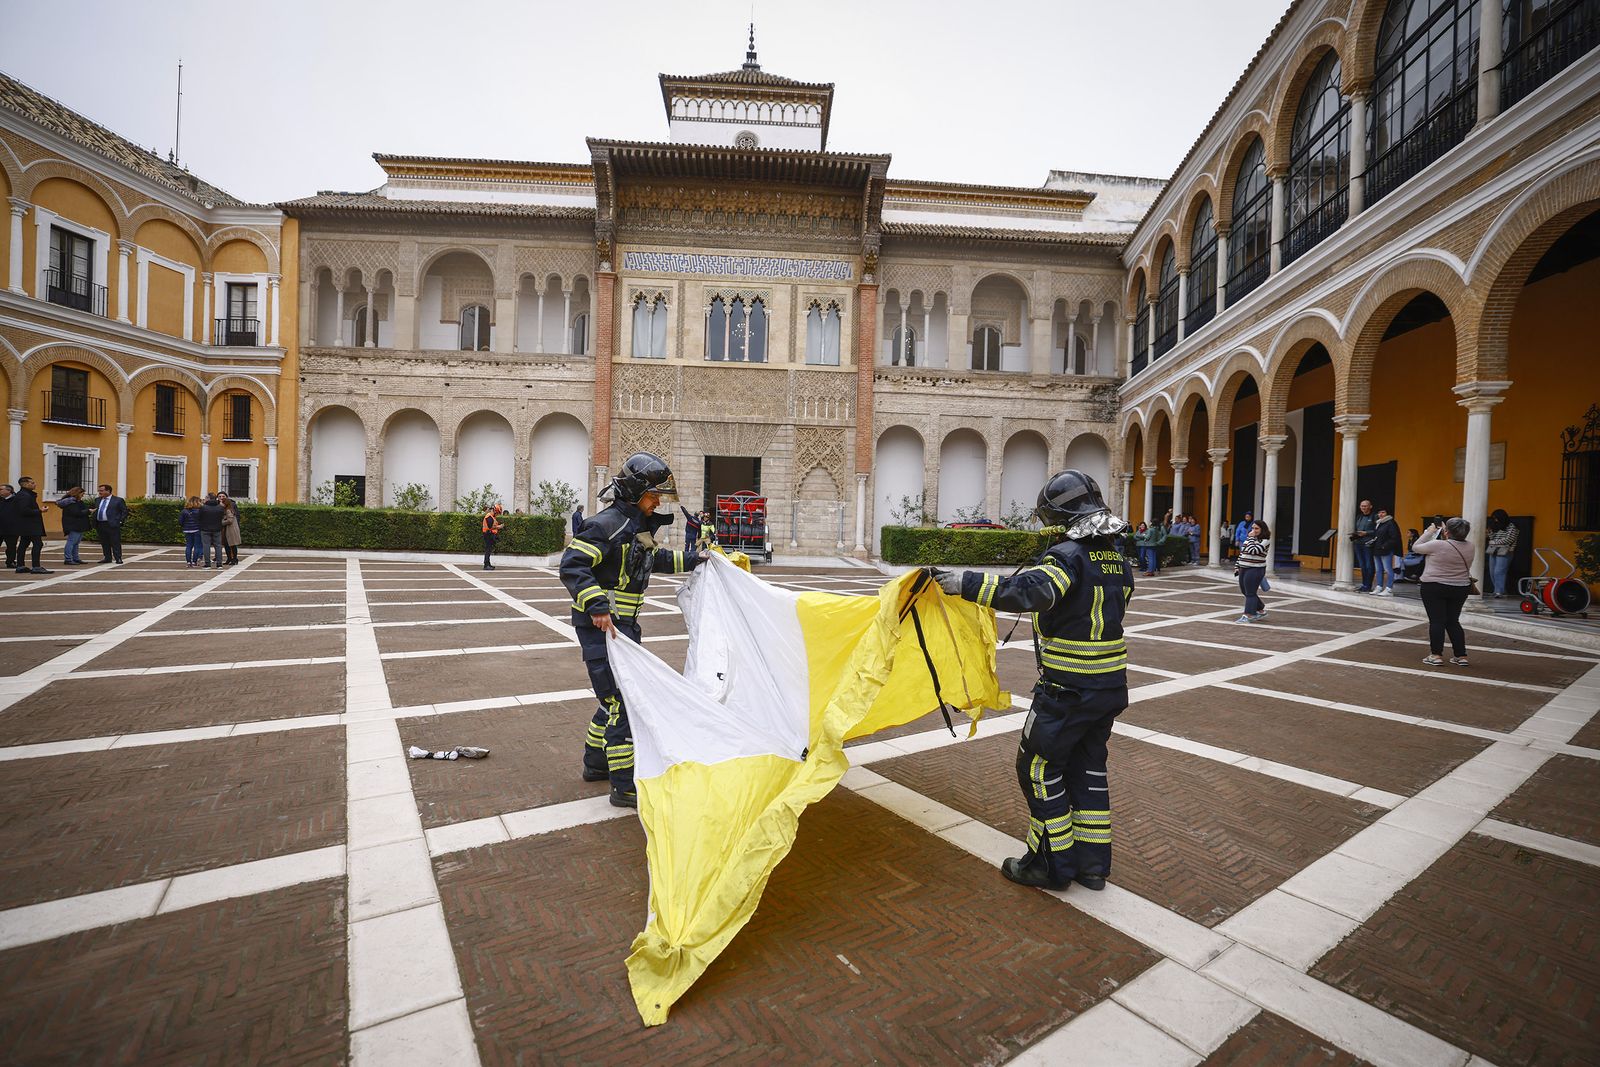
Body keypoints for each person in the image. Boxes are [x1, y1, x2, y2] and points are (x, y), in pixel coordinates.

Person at [929, 469, 1133, 891]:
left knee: (1037, 769)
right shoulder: (1116, 558)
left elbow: (1031, 592)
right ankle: (1093, 866)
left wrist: (963, 582)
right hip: (1109, 688)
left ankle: (1049, 865)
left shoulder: (1067, 556)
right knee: (1088, 769)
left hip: (1068, 690)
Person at [561, 452, 705, 808]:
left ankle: (596, 765)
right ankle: (624, 786)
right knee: (622, 703)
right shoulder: (605, 524)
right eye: (653, 494)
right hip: (602, 629)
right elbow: (572, 564)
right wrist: (596, 606)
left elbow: (652, 560)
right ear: (636, 491)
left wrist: (696, 558)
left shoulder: (637, 526)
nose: (658, 501)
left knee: (612, 698)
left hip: (624, 630)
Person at [1415, 517, 1474, 666]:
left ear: (1447, 531)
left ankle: (1435, 655)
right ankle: (1461, 656)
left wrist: (1429, 532)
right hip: (1461, 587)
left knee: (1436, 621)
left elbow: (1416, 547)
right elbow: (1451, 547)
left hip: (1434, 586)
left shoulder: (1437, 545)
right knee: (1453, 621)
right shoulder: (1470, 546)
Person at [12, 476, 50, 574]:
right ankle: (36, 566)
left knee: (24, 544)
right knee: (38, 544)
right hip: (30, 525)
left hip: (26, 525)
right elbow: (24, 510)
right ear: (25, 484)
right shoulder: (25, 495)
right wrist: (40, 510)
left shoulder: (24, 494)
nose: (35, 484)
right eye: (32, 483)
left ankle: (20, 565)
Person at [1235, 519, 1270, 622]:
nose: (1254, 530)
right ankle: (1260, 608)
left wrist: (1250, 538)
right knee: (1244, 590)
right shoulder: (1250, 539)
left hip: (1255, 569)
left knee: (1250, 592)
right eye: (1253, 528)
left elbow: (1253, 550)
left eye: (1257, 528)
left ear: (1262, 529)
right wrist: (1237, 566)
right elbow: (1243, 552)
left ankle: (1249, 614)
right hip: (1244, 568)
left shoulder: (1265, 541)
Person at [1368, 506, 1402, 597]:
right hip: (1377, 549)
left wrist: (1384, 546)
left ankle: (1389, 589)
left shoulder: (1391, 523)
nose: (1380, 514)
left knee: (1388, 569)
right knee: (1378, 570)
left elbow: (1394, 537)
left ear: (1387, 513)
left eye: (1383, 512)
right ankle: (1379, 587)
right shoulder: (1379, 523)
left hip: (1386, 550)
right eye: (1379, 513)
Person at [1486, 509, 1519, 598]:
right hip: (1493, 550)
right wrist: (1490, 533)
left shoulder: (1512, 527)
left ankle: (1499, 592)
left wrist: (1494, 542)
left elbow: (1509, 539)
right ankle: (1497, 591)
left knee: (1499, 571)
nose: (1495, 520)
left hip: (1505, 550)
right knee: (1492, 571)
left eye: (1496, 518)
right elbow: (1492, 538)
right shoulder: (1496, 526)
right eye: (1494, 518)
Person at [92, 484, 127, 565]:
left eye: (101, 490)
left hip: (112, 524)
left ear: (108, 491)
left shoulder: (118, 500)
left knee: (115, 542)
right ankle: (107, 557)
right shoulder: (97, 500)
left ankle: (118, 558)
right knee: (104, 542)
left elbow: (124, 511)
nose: (99, 492)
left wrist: (120, 521)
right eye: (99, 490)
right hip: (100, 524)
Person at [57, 486, 90, 566]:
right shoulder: (71, 503)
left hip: (78, 525)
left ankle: (75, 558)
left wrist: (87, 510)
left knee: (76, 542)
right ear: (77, 493)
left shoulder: (77, 502)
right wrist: (88, 511)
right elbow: (76, 513)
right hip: (74, 525)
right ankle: (68, 559)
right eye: (82, 493)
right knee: (71, 542)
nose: (83, 495)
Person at [1351, 499, 1376, 592]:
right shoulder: (1359, 517)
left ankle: (1368, 586)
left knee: (1369, 565)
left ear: (1370, 506)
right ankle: (1364, 584)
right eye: (1362, 506)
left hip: (1368, 544)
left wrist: (1366, 533)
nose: (1364, 508)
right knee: (1362, 565)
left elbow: (1377, 531)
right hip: (1358, 544)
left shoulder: (1374, 516)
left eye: (1365, 506)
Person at [197, 493, 226, 568]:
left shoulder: (203, 507)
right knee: (218, 546)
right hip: (217, 528)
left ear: (209, 498)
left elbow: (199, 517)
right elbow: (222, 517)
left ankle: (207, 564)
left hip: (205, 529)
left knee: (206, 546)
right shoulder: (220, 507)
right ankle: (219, 564)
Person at [179, 496, 203, 567]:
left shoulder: (184, 511)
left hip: (187, 530)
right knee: (197, 546)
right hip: (197, 529)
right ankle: (194, 562)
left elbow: (180, 521)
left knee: (188, 546)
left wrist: (184, 526)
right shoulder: (200, 511)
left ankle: (188, 562)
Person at [482, 503, 505, 570]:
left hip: (490, 534)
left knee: (489, 550)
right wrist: (499, 527)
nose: (497, 514)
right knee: (488, 550)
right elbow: (490, 527)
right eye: (497, 513)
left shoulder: (492, 517)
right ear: (494, 510)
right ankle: (486, 565)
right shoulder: (489, 516)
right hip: (487, 534)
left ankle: (488, 564)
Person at [0, 484, 17, 571]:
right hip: (0, 527)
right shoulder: (1, 500)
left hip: (11, 528)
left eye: (1, 489)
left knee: (11, 546)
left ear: (9, 491)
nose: (0, 491)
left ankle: (10, 561)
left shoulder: (16, 500)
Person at [221, 497, 242, 565]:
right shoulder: (228, 509)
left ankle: (233, 559)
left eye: (222, 502)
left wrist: (221, 522)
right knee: (229, 545)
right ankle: (230, 559)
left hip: (230, 530)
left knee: (232, 545)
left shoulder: (228, 510)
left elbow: (230, 520)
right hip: (230, 529)